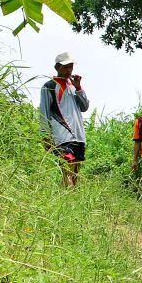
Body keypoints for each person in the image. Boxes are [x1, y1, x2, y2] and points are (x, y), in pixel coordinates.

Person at [38, 51, 90, 188]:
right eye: (65, 67)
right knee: (67, 166)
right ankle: (69, 195)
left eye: (71, 67)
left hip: (79, 136)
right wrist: (45, 135)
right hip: (62, 136)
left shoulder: (73, 86)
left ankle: (69, 198)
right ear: (57, 67)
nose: (69, 70)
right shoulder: (49, 87)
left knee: (75, 170)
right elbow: (44, 112)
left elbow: (85, 107)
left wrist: (78, 87)